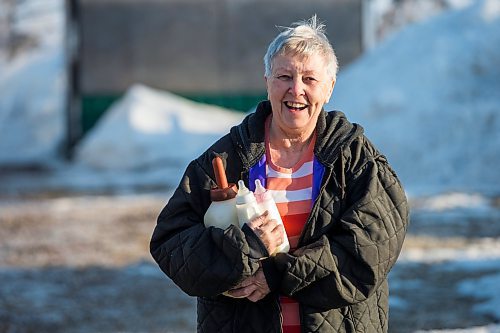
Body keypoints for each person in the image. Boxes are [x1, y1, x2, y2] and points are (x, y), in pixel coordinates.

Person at [150, 15, 409, 333]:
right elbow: (171, 244)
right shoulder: (227, 158)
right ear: (267, 82)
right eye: (284, 76)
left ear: (329, 89)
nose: (296, 89)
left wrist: (277, 274)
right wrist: (246, 246)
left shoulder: (356, 159)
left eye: (310, 79)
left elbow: (368, 253)